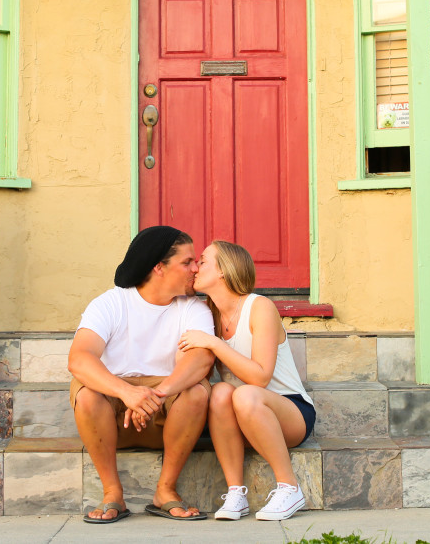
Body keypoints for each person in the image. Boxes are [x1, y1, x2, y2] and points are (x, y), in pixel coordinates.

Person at [68, 225, 215, 524]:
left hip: (167, 417)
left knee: (197, 389)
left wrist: (156, 395)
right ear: (159, 267)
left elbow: (201, 359)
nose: (196, 269)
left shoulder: (194, 308)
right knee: (86, 391)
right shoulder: (111, 303)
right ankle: (112, 493)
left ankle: (165, 490)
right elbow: (79, 358)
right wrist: (127, 393)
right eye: (187, 262)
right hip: (114, 419)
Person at [178, 240, 316, 521]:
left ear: (223, 271)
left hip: (289, 411)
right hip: (240, 417)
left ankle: (290, 487)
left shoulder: (259, 306)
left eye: (202, 261)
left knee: (244, 393)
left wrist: (214, 344)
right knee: (220, 392)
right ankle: (236, 494)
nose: (195, 268)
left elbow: (260, 377)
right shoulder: (209, 315)